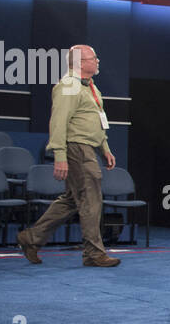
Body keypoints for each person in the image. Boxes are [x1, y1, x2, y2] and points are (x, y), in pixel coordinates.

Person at [17, 45, 119, 267]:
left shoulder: (90, 87)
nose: (98, 61)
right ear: (81, 63)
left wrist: (105, 148)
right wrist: (60, 156)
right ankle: (93, 253)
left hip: (88, 147)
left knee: (73, 200)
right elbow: (58, 122)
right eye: (94, 57)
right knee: (91, 199)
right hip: (77, 148)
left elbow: (95, 120)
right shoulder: (69, 86)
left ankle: (32, 238)